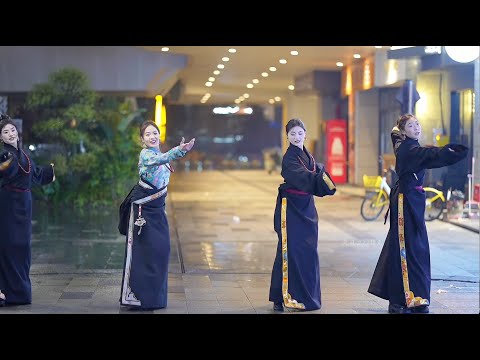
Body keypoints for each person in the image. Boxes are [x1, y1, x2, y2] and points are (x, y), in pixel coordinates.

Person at [368, 114, 468, 314]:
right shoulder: (409, 149)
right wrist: (450, 151)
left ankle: (408, 299)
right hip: (406, 202)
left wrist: (400, 127)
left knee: (409, 247)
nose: (416, 128)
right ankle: (404, 300)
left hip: (411, 201)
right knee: (409, 249)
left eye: (417, 124)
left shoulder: (403, 144)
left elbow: (395, 134)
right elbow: (430, 155)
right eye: (411, 126)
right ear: (404, 132)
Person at [119, 120, 195, 311]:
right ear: (142, 140)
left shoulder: (160, 154)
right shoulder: (146, 155)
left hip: (157, 210)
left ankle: (154, 298)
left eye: (155, 133)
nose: (152, 137)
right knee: (145, 253)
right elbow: (160, 160)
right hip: (143, 211)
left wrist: (179, 151)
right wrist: (179, 150)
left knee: (161, 252)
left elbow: (163, 161)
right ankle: (139, 298)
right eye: (148, 134)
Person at [269, 118, 336, 312]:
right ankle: (282, 297)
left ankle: (306, 296)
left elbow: (315, 172)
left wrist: (323, 177)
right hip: (291, 208)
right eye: (292, 134)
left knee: (308, 252)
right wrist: (320, 177)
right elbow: (303, 176)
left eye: (299, 133)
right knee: (289, 250)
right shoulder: (289, 158)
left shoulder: (308, 156)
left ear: (305, 134)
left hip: (306, 207)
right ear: (287, 136)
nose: (296, 137)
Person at [0, 114, 55, 307]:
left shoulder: (20, 153)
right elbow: (7, 170)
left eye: (12, 130)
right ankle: (9, 292)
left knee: (22, 248)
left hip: (23, 204)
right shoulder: (6, 155)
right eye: (5, 132)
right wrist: (5, 166)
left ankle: (18, 291)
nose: (10, 134)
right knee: (11, 246)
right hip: (9, 204)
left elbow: (31, 174)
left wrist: (49, 172)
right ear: (1, 137)